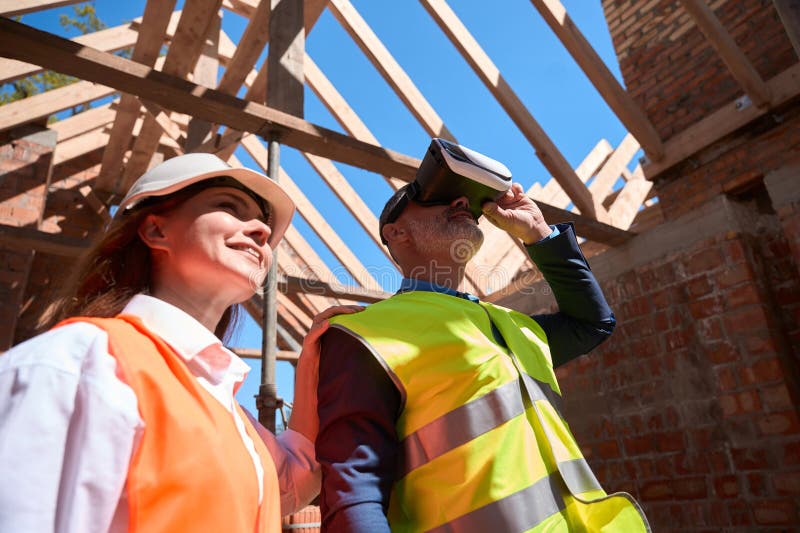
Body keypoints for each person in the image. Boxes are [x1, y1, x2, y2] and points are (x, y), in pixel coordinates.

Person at [0, 153, 359, 532]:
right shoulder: (81, 363)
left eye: (263, 223)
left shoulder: (226, 410)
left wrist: (313, 365)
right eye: (228, 206)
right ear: (155, 231)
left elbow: (290, 481)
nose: (261, 231)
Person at [316, 182, 650, 531]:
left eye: (467, 202)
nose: (462, 201)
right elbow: (354, 494)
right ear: (397, 232)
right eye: (437, 195)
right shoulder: (365, 335)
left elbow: (592, 322)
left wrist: (540, 235)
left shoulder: (510, 325)